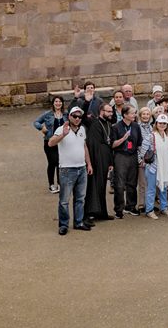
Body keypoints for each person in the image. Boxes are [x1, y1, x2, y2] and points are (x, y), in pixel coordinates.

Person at [48, 105, 93, 234]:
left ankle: (78, 222)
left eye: (80, 117)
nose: (77, 119)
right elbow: (51, 143)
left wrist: (88, 164)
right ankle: (63, 225)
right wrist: (63, 134)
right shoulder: (61, 129)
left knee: (80, 198)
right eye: (75, 116)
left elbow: (84, 147)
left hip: (81, 168)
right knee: (64, 200)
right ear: (69, 116)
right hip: (67, 170)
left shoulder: (82, 130)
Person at [84, 101, 115, 222]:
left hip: (105, 158)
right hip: (96, 158)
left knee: (101, 187)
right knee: (93, 186)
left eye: (111, 111)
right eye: (108, 111)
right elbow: (92, 143)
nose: (111, 113)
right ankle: (91, 213)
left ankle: (102, 212)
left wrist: (110, 162)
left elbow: (109, 144)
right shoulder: (94, 123)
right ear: (101, 111)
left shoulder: (108, 124)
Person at [110, 105, 141, 218]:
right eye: (132, 113)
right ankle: (119, 209)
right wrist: (123, 139)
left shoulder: (136, 126)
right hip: (120, 156)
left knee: (132, 183)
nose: (134, 115)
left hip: (132, 155)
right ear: (125, 115)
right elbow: (112, 144)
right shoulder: (116, 127)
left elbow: (139, 143)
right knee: (119, 184)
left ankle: (131, 206)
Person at [143, 114, 168, 219]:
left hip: (164, 167)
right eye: (160, 123)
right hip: (153, 166)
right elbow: (143, 151)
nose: (162, 125)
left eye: (164, 123)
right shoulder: (151, 136)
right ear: (156, 123)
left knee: (163, 187)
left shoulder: (166, 136)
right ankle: (149, 210)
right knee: (151, 189)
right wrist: (142, 162)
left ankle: (164, 208)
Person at [33, 95, 66, 193]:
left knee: (60, 163)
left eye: (60, 101)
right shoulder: (48, 114)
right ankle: (51, 184)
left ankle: (60, 183)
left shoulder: (66, 114)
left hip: (62, 142)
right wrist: (42, 128)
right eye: (56, 101)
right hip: (50, 141)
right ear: (53, 103)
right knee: (52, 162)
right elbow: (36, 122)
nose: (58, 103)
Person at [136, 106, 154, 212]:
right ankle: (141, 204)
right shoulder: (137, 128)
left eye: (147, 114)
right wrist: (140, 159)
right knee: (142, 183)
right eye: (143, 114)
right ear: (140, 115)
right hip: (142, 158)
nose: (145, 116)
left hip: (151, 159)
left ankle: (149, 203)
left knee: (150, 182)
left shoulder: (152, 128)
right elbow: (137, 146)